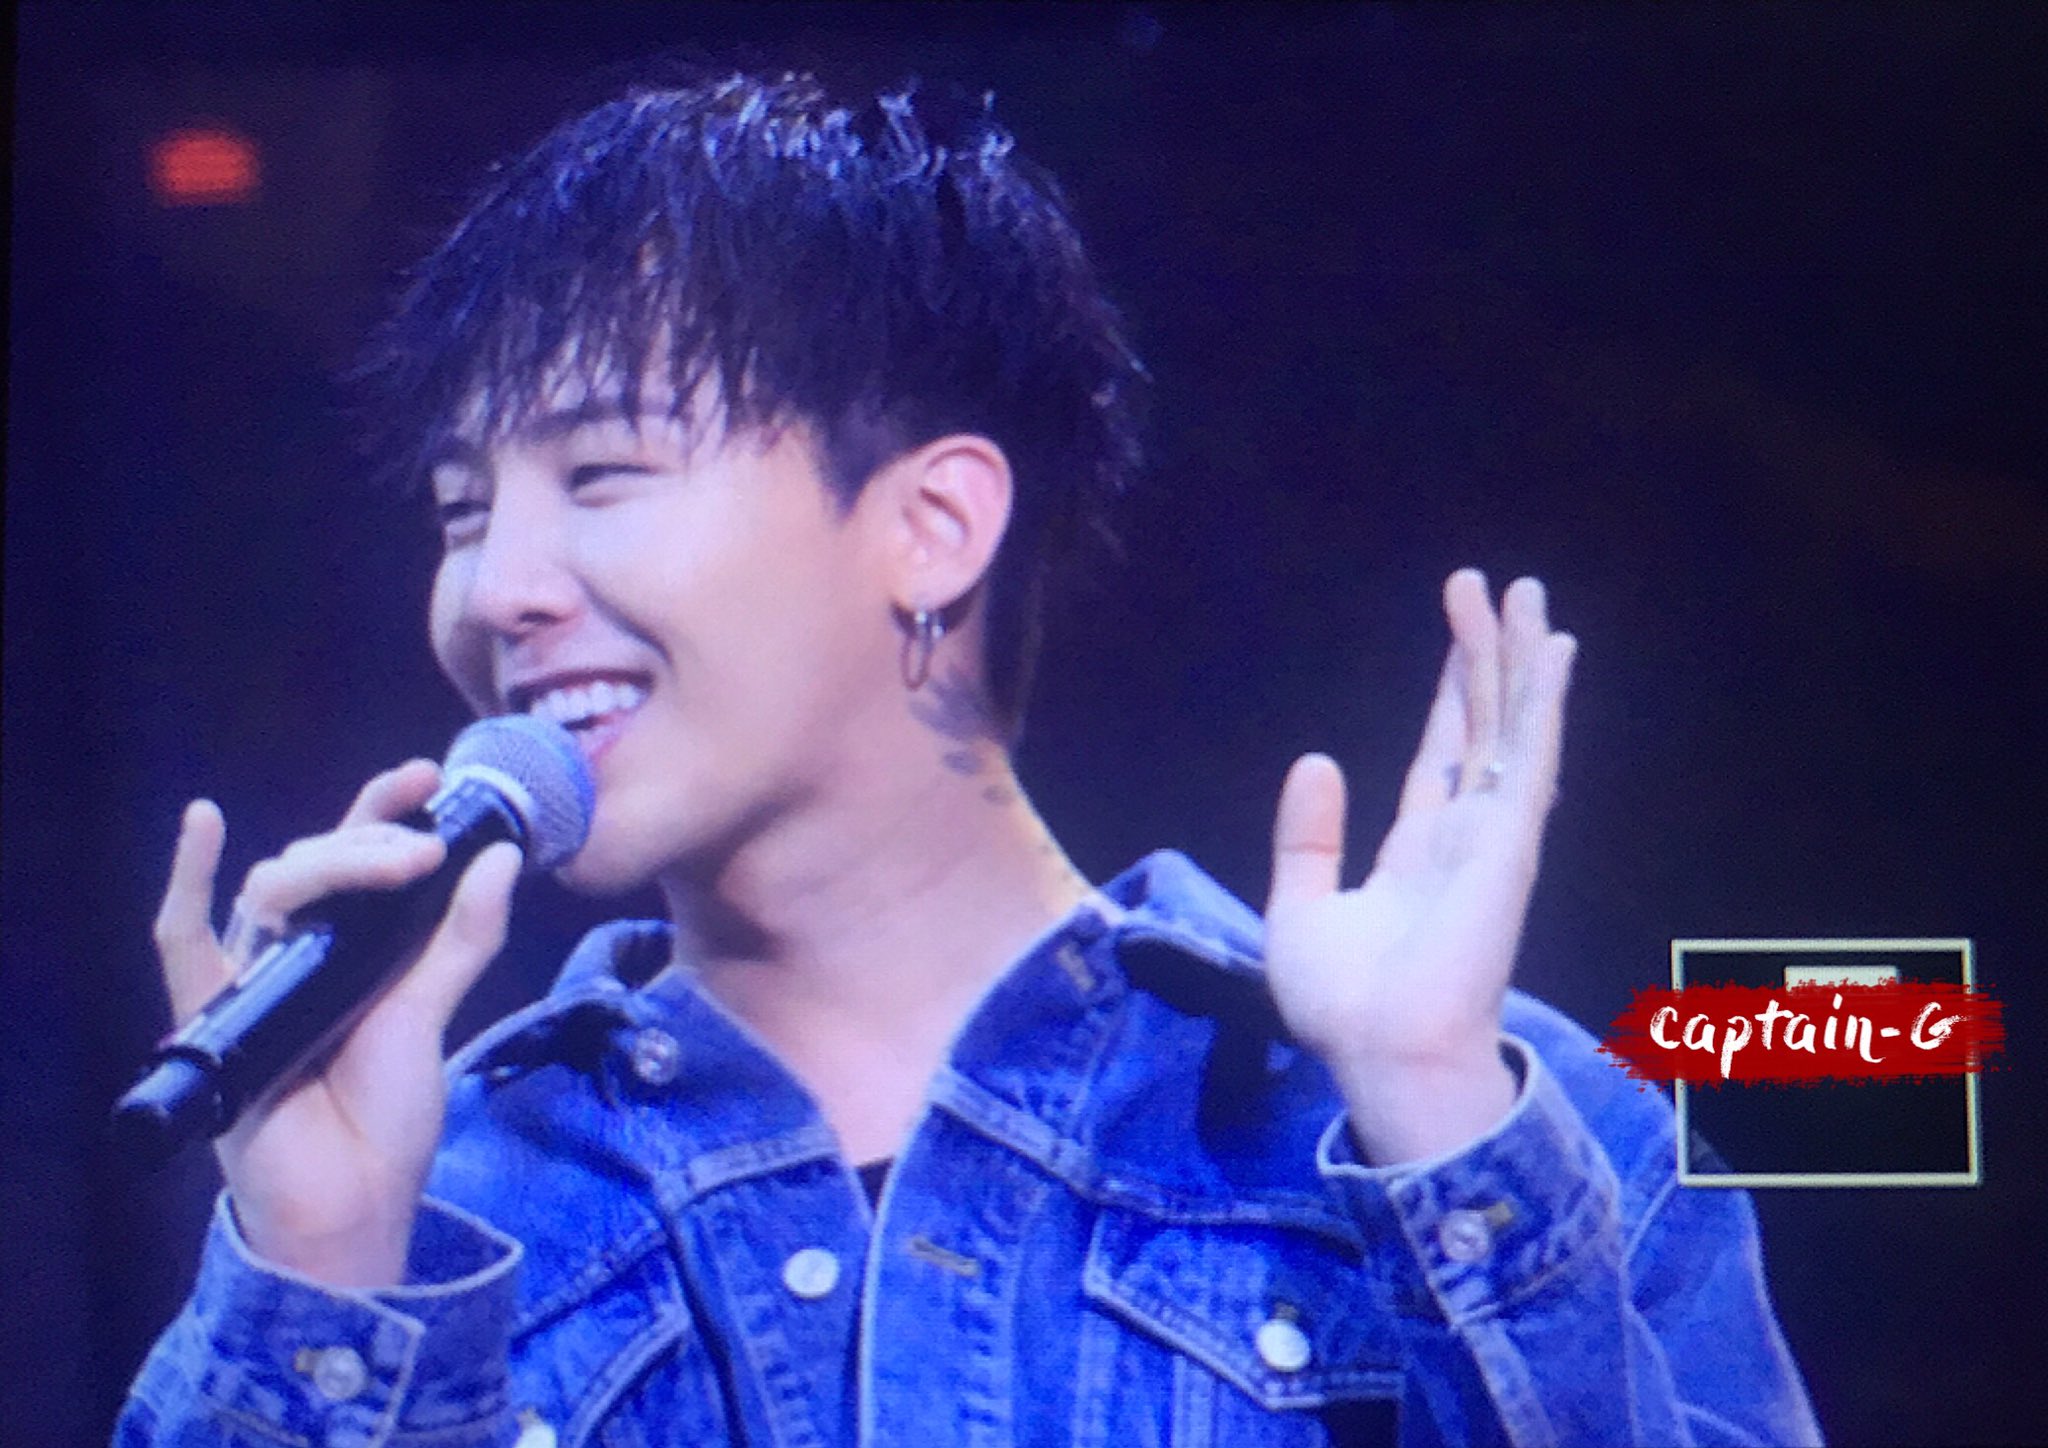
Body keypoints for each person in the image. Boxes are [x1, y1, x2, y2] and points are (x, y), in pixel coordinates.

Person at [118, 72, 1819, 1446]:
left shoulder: (1493, 1124)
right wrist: (326, 1276)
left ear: (932, 524)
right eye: (461, 512)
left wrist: (1438, 1118)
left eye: (604, 475)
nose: (497, 590)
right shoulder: (450, 1195)